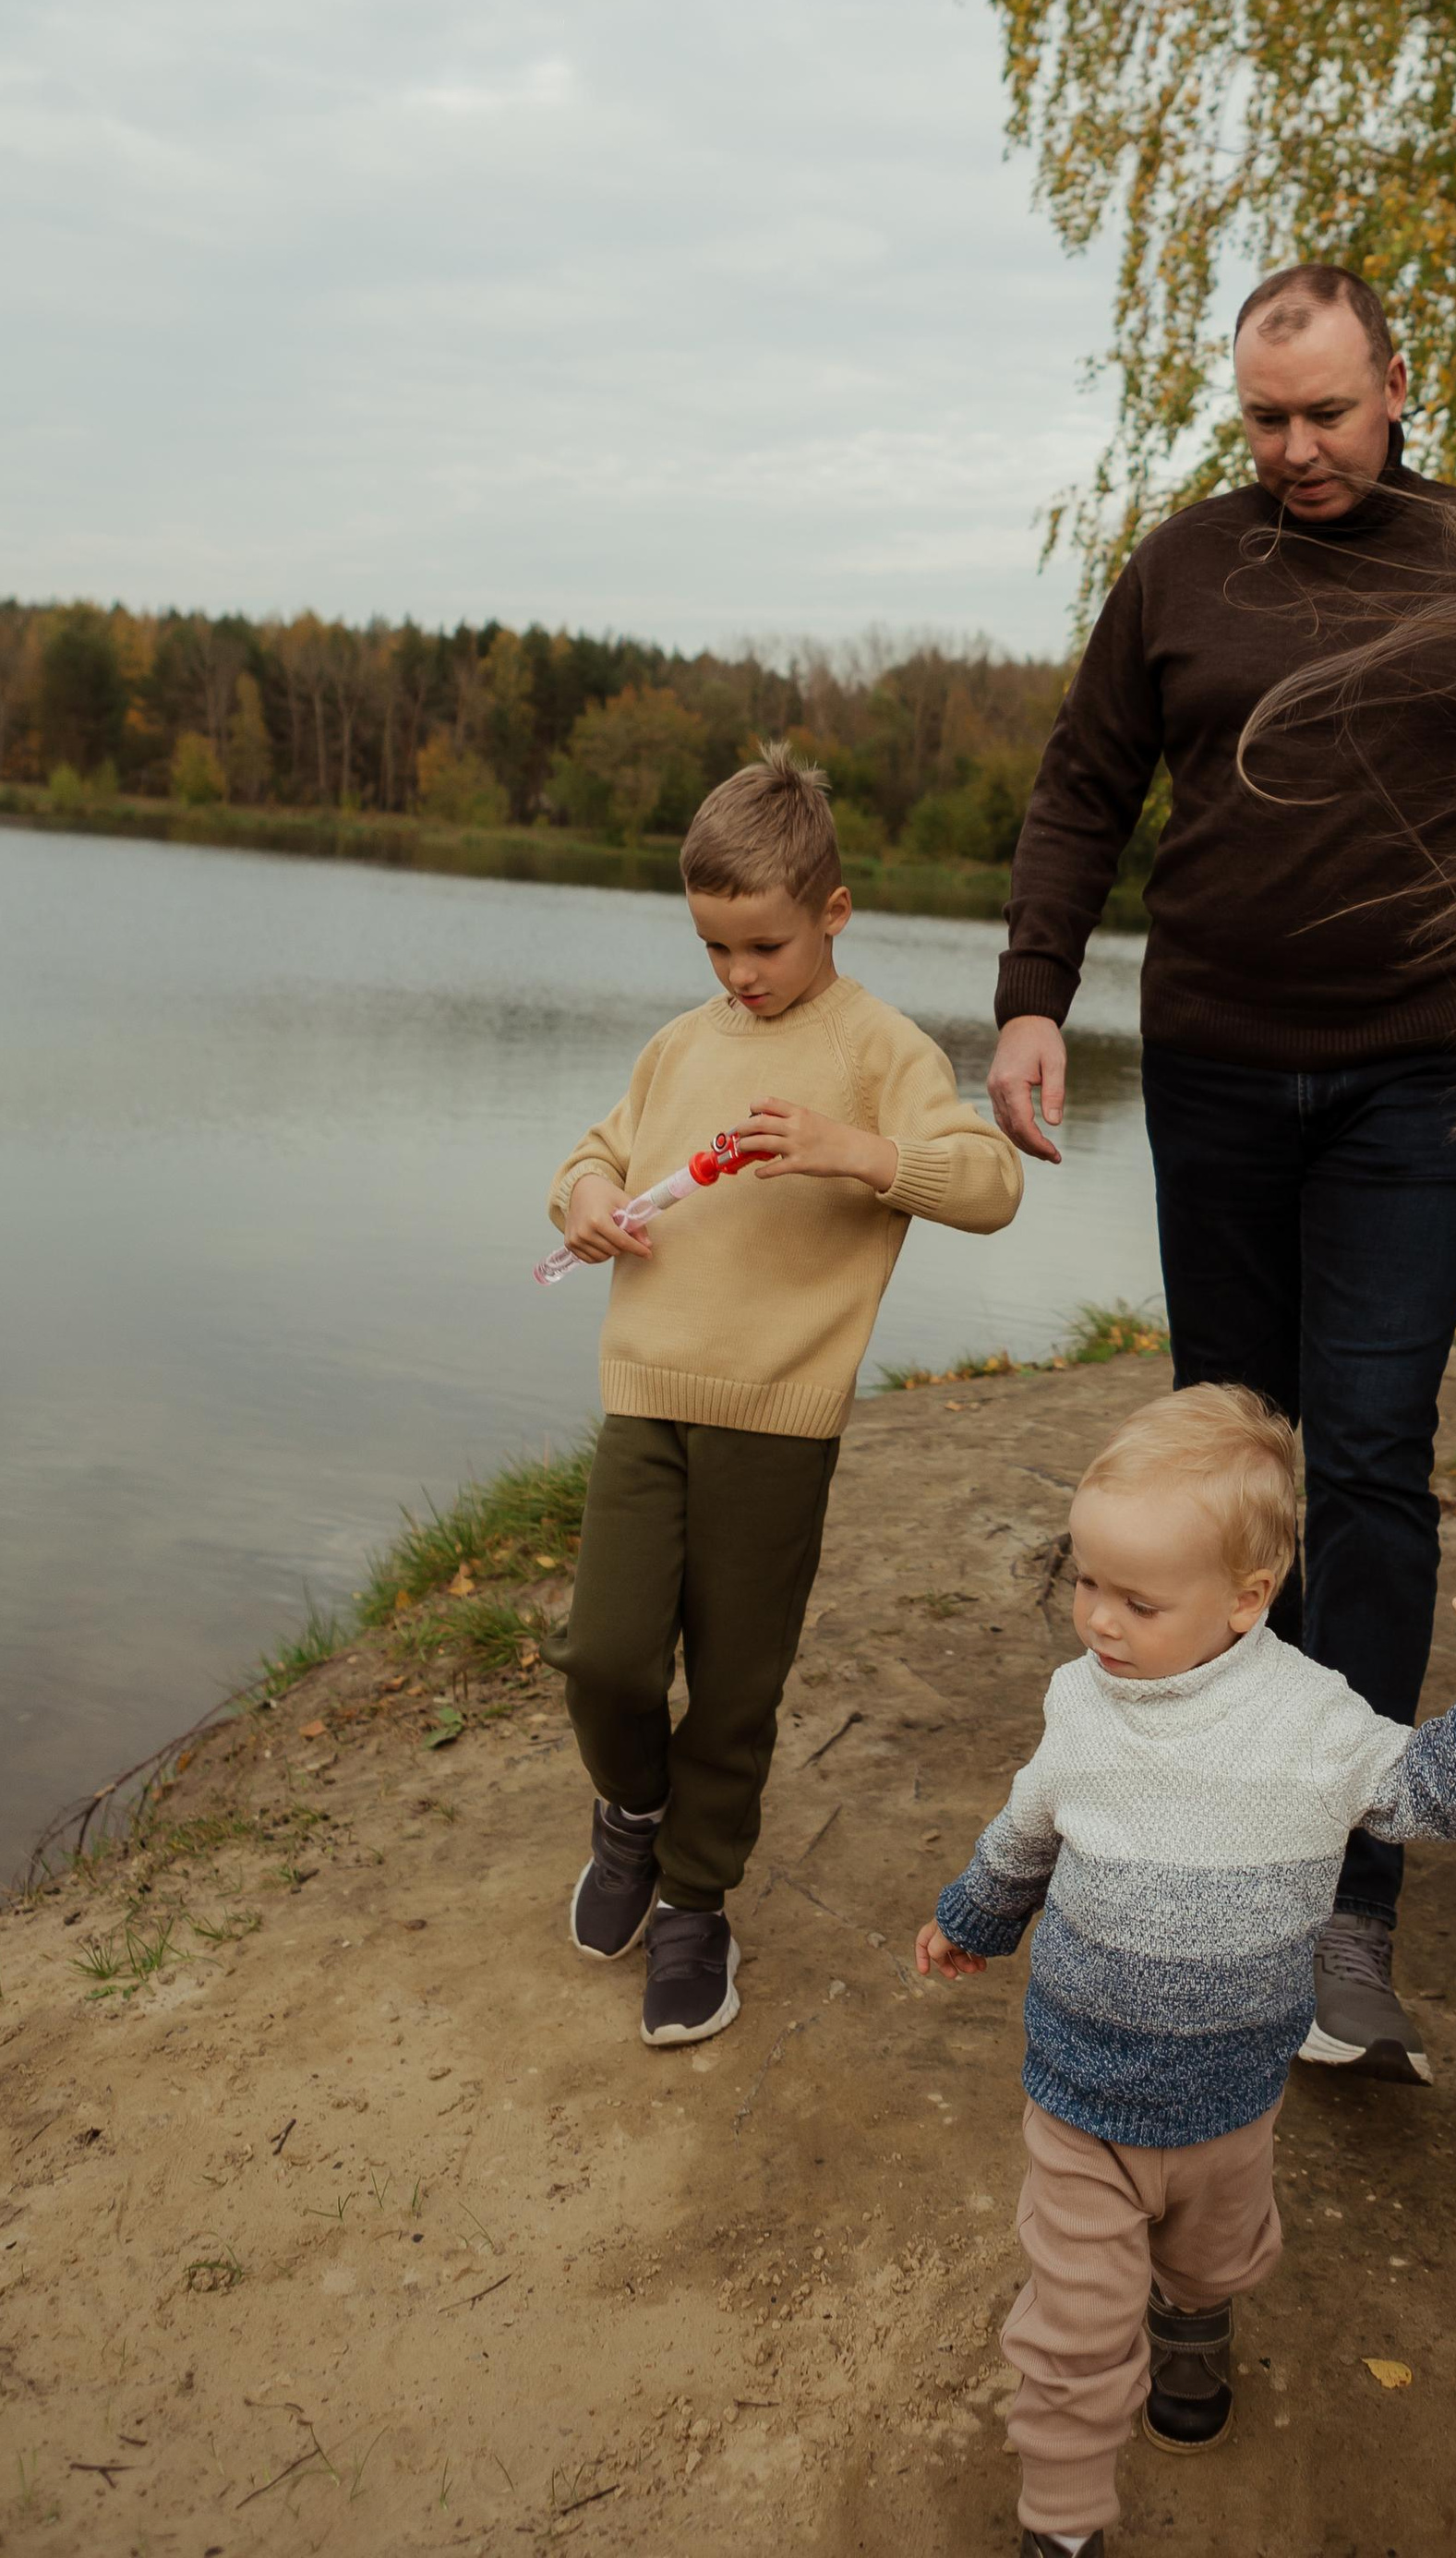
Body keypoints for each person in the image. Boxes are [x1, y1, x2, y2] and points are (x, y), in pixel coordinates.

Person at [989, 261, 1456, 2080]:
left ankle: (1351, 1908)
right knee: (1232, 1467)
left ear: (1399, 384)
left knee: (1370, 1464)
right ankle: (1205, 1822)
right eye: (1262, 417)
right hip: (1218, 1069)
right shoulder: (1180, 568)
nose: (1296, 448)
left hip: (1414, 1076)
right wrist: (1028, 1003)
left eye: (1324, 411)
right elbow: (1082, 787)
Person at [918, 1384, 1456, 2558]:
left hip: (1231, 2096)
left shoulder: (1309, 1719)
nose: (1099, 1621)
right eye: (1086, 1581)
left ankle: (1195, 2321)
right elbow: (1026, 1832)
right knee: (1069, 2332)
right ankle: (1060, 2528)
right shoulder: (1080, 1702)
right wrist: (974, 1918)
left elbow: (1420, 1799)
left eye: (1138, 1599)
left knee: (1210, 2257)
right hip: (1079, 2097)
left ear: (1248, 1600)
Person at [543, 744, 1022, 2047]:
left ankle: (696, 1901)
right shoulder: (677, 1044)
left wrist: (860, 1152)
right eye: (714, 948)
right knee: (606, 1657)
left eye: (763, 946)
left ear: (833, 911)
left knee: (738, 1684)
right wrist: (588, 1204)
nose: (740, 976)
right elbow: (597, 1152)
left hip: (778, 1418)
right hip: (646, 1395)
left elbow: (988, 1184)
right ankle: (632, 1816)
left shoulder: (879, 1049)